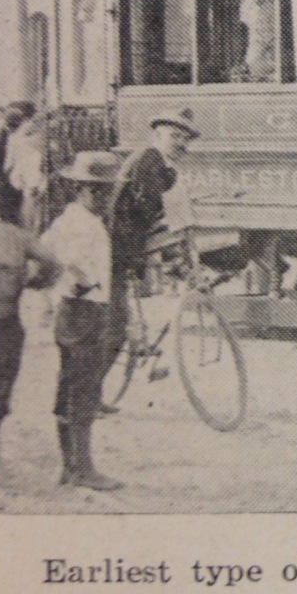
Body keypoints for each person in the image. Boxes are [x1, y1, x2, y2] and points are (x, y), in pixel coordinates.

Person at [43, 151, 124, 490]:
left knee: (69, 388)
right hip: (84, 311)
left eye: (109, 191)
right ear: (82, 188)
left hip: (69, 311)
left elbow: (46, 251)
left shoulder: (67, 220)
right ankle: (83, 470)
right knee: (84, 390)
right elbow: (69, 261)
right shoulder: (82, 223)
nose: (106, 198)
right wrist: (81, 283)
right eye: (100, 191)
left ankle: (70, 466)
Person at [106, 108, 199, 387]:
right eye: (174, 136)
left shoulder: (161, 164)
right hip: (114, 251)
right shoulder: (148, 161)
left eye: (185, 138)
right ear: (157, 134)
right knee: (115, 327)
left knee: (121, 322)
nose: (181, 143)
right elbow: (150, 210)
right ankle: (88, 395)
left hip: (128, 248)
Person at [0, 192, 64, 469]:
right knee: (0, 388)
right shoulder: (16, 236)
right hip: (5, 320)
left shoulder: (15, 236)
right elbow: (53, 264)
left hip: (5, 322)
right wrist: (33, 283)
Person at [4, 103, 46, 234]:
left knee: (29, 211)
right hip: (37, 178)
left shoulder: (15, 138)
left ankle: (29, 235)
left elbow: (9, 165)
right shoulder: (41, 135)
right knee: (36, 212)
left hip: (29, 179)